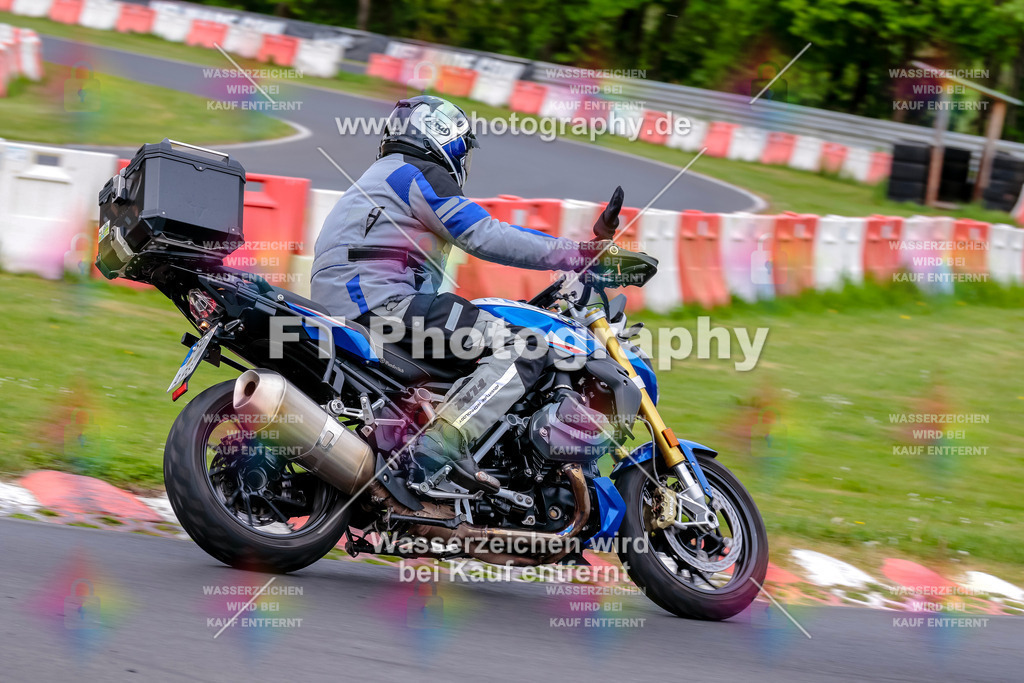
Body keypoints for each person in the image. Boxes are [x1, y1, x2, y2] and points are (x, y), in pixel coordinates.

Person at [312, 95, 636, 493]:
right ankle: (441, 444)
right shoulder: (417, 172)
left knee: (478, 339)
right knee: (527, 347)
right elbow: (482, 234)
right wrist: (576, 254)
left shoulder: (376, 180)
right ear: (443, 136)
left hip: (354, 309)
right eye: (462, 148)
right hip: (383, 305)